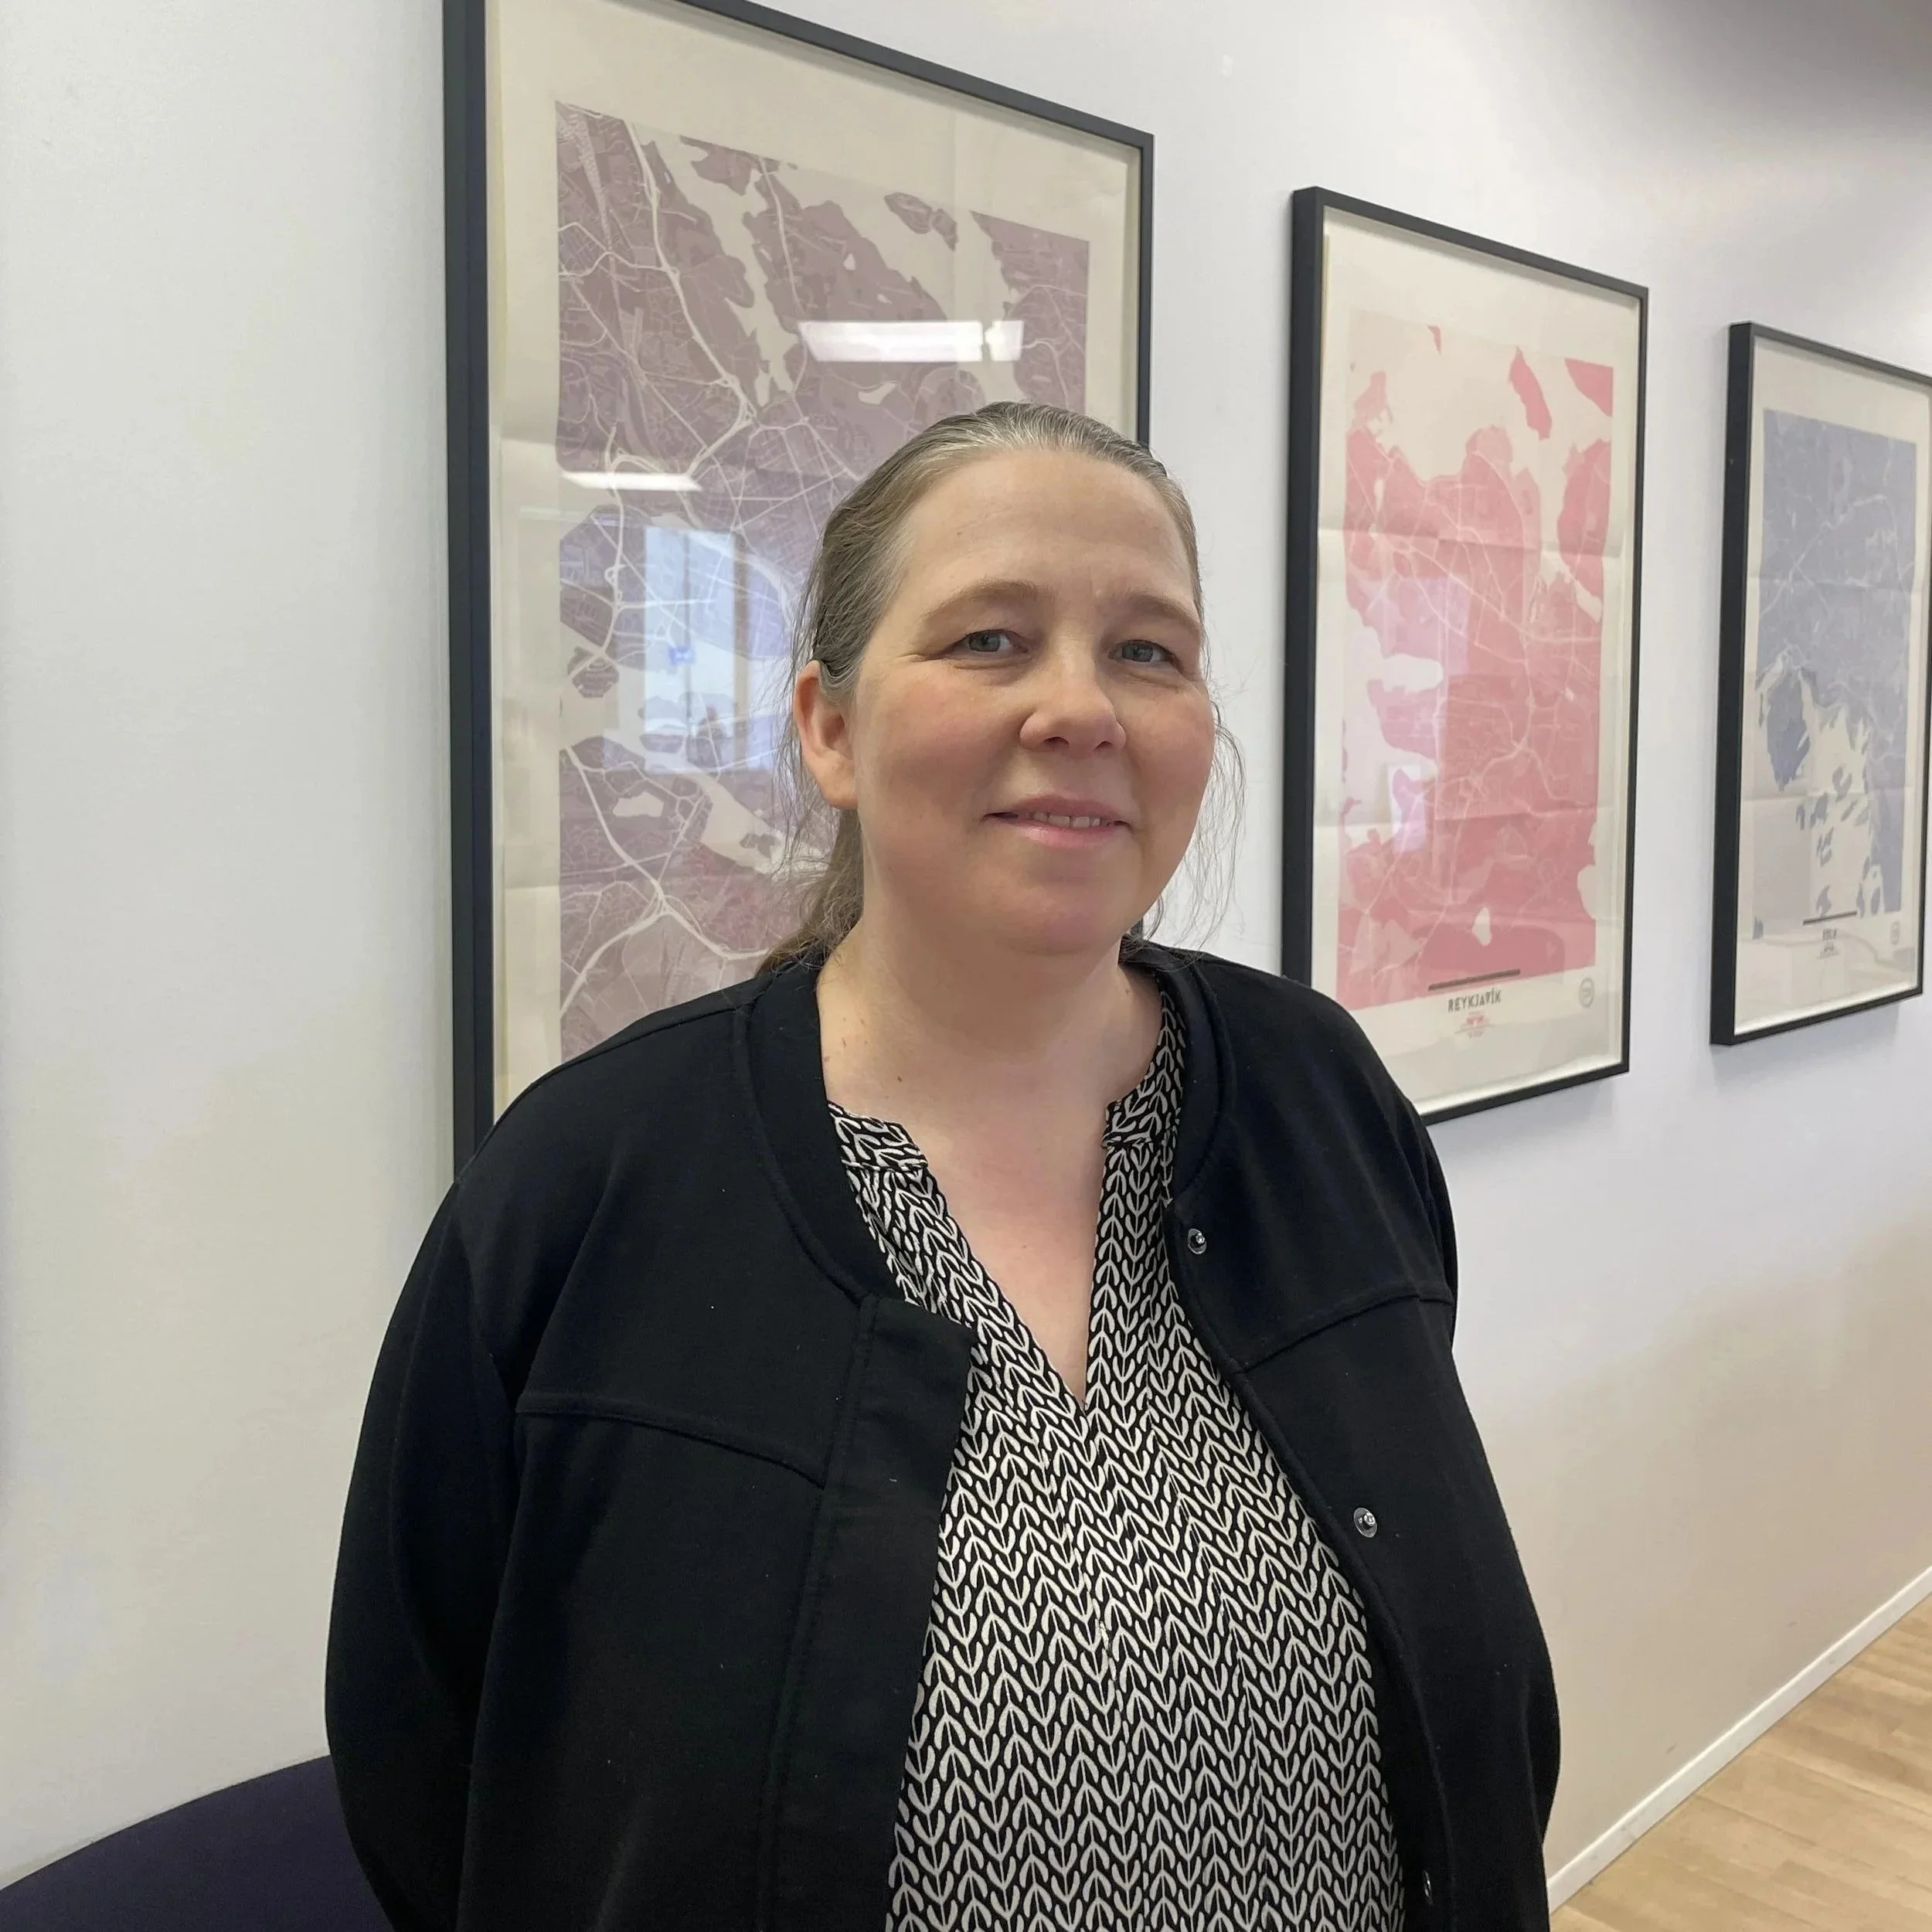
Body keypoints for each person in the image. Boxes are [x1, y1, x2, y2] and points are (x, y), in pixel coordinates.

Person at [325, 401, 1559, 1932]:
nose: (1080, 707)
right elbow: (433, 1773)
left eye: (1148, 650)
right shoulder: (586, 1189)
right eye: (989, 639)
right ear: (829, 728)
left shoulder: (1320, 1101)